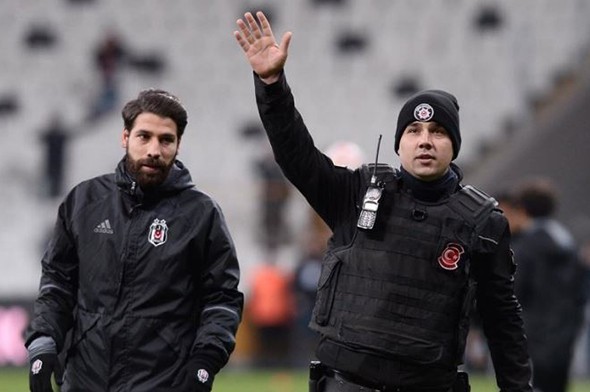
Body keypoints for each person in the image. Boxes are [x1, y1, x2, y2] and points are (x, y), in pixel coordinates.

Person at [234, 11, 532, 392]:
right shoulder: (356, 193)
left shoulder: (483, 222)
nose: (425, 139)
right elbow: (296, 155)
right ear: (400, 143)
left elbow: (502, 318)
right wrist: (271, 84)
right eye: (414, 130)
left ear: (453, 145)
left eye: (438, 131)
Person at [25, 89, 244, 392]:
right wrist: (43, 342)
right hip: (83, 379)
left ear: (178, 145)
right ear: (125, 137)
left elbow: (221, 298)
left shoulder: (201, 214)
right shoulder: (83, 202)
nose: (155, 149)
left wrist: (205, 361)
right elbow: (57, 283)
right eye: (144, 136)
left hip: (164, 382)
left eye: (166, 140)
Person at [503, 179, 587, 392]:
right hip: (565, 329)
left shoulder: (527, 245)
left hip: (535, 333)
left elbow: (516, 290)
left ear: (521, 208)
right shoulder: (562, 238)